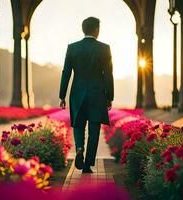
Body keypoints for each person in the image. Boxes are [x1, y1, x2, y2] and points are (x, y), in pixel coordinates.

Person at [59, 17, 114, 173]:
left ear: (83, 29)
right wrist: (110, 96)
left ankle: (79, 149)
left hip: (77, 92)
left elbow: (66, 73)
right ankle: (88, 164)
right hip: (97, 94)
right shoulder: (104, 48)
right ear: (96, 30)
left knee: (78, 124)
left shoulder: (72, 48)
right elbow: (108, 74)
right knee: (94, 128)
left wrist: (62, 95)